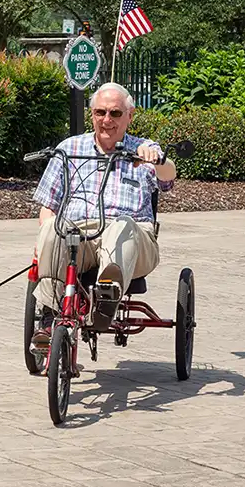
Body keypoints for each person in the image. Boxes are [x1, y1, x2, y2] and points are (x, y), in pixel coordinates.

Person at [31, 82, 176, 331]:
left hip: (131, 239)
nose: (107, 120)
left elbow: (168, 178)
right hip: (80, 236)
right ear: (92, 114)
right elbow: (48, 206)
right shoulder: (69, 149)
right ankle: (49, 318)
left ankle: (107, 297)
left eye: (115, 113)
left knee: (121, 225)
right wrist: (47, 239)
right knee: (53, 229)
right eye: (100, 112)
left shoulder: (144, 149)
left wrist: (157, 159)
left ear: (130, 116)